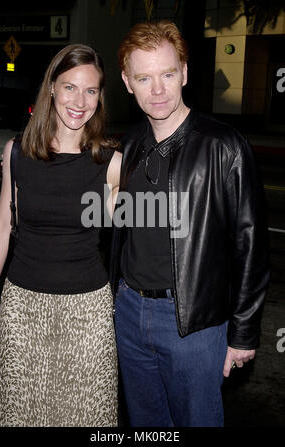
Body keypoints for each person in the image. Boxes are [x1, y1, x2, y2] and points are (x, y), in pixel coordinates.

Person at [110, 20, 270, 427]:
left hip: (193, 321)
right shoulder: (128, 146)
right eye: (144, 78)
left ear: (184, 71)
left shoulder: (224, 146)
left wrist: (243, 333)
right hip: (128, 311)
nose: (158, 90)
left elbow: (251, 246)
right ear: (128, 83)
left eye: (167, 74)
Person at [0, 44, 122, 427]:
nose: (80, 101)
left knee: (85, 417)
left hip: (88, 313)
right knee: (20, 415)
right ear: (51, 89)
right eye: (70, 87)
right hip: (22, 308)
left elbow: (142, 225)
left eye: (91, 90)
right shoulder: (17, 153)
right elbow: (1, 229)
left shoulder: (110, 162)